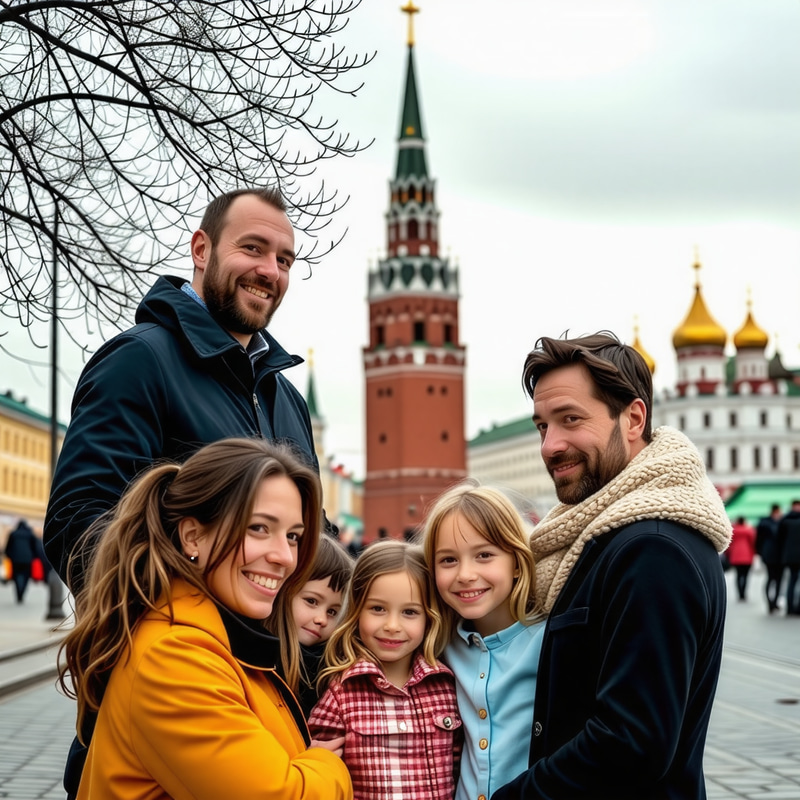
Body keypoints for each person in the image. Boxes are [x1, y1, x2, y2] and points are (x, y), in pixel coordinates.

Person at [493, 332, 732, 800]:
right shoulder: (600, 537)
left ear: (633, 418)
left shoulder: (652, 549)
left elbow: (630, 743)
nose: (550, 445)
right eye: (543, 426)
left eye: (571, 420)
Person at [45, 187, 321, 591]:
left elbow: (315, 537)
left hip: (274, 655)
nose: (270, 271)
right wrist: (180, 620)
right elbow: (78, 523)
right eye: (252, 248)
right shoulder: (139, 360)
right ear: (201, 250)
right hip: (178, 648)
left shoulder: (286, 398)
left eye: (284, 260)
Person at [57, 437, 352, 800]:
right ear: (193, 536)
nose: (284, 557)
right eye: (259, 528)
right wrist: (329, 764)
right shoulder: (175, 659)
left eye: (293, 536)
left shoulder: (222, 639)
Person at [421, 481, 546, 800]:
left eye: (484, 555)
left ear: (517, 563)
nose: (465, 574)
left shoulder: (549, 639)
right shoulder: (439, 645)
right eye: (448, 560)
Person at [308, 540, 461, 800]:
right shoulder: (340, 694)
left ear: (429, 617)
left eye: (410, 612)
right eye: (378, 609)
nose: (392, 625)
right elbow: (323, 779)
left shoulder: (447, 687)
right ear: (357, 611)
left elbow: (460, 771)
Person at [278, 533, 354, 718]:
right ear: (285, 591)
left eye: (333, 612)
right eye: (311, 601)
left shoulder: (335, 670)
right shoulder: (259, 657)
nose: (322, 619)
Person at [756, 504, 784, 613]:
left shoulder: (764, 523)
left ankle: (773, 602)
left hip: (770, 555)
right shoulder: (772, 523)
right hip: (774, 555)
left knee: (774, 579)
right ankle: (771, 602)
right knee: (773, 579)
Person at [4, 519, 37, 603]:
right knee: (26, 577)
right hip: (27, 559)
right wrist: (34, 556)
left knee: (16, 577)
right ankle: (22, 593)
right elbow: (34, 547)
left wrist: (8, 555)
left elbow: (8, 546)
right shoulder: (30, 534)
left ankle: (18, 594)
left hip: (15, 559)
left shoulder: (13, 534)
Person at [778, 499, 800, 616]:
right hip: (793, 556)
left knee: (791, 581)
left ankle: (790, 607)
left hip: (789, 556)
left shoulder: (785, 520)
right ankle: (796, 607)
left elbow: (779, 539)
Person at [728, 516, 756, 601]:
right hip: (747, 556)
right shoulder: (749, 531)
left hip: (736, 556)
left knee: (738, 575)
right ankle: (744, 593)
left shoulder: (733, 531)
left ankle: (739, 593)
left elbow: (729, 544)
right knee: (746, 575)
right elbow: (753, 542)